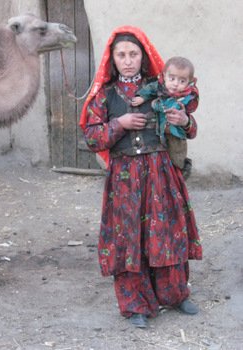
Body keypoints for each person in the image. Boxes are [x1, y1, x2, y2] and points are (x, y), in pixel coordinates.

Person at [80, 26, 202, 329]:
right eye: (121, 55)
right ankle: (136, 305)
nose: (128, 60)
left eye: (133, 54)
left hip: (161, 173)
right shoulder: (105, 95)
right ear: (113, 59)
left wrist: (184, 119)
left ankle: (175, 295)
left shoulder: (162, 86)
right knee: (128, 239)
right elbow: (92, 138)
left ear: (142, 56)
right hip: (124, 179)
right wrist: (119, 123)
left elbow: (191, 128)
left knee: (167, 233)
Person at [132, 56, 199, 174]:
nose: (175, 84)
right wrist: (142, 97)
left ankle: (180, 171)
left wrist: (155, 104)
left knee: (176, 160)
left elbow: (171, 107)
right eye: (172, 78)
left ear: (189, 82)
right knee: (160, 161)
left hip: (176, 136)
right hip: (159, 133)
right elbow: (150, 89)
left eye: (182, 81)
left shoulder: (186, 96)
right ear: (164, 76)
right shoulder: (160, 86)